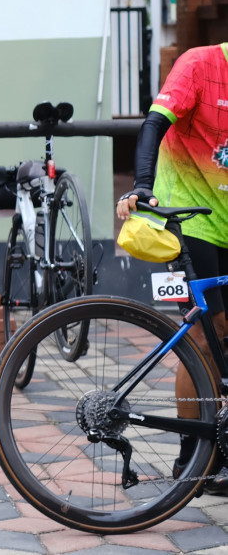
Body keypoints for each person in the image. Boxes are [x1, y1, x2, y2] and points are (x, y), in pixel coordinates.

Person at [117, 41, 228, 493]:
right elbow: (155, 123)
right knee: (205, 335)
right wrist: (142, 185)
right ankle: (192, 457)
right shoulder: (200, 64)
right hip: (190, 220)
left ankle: (219, 447)